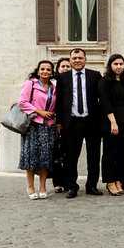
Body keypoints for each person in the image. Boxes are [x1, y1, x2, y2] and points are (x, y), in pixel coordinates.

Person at [54, 47, 103, 199]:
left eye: (80, 58)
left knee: (94, 156)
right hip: (72, 122)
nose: (77, 61)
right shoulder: (62, 78)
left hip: (92, 121)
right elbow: (60, 101)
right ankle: (71, 186)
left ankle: (92, 185)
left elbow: (101, 99)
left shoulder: (95, 76)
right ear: (70, 60)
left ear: (85, 60)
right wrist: (59, 122)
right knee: (71, 156)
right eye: (74, 58)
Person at [18, 60, 56, 200]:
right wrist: (39, 111)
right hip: (33, 125)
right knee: (31, 157)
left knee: (45, 158)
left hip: (48, 126)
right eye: (42, 69)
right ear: (38, 70)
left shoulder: (53, 87)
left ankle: (43, 186)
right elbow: (22, 102)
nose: (45, 71)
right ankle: (30, 187)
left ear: (52, 72)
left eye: (48, 69)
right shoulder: (31, 83)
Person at [97, 53, 124, 197]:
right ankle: (110, 181)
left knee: (123, 153)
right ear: (110, 66)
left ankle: (119, 179)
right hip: (111, 123)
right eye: (115, 64)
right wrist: (113, 122)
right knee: (109, 153)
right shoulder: (105, 81)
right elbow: (105, 103)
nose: (119, 66)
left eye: (121, 64)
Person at [50, 57, 72, 193]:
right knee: (56, 154)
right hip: (53, 122)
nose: (65, 68)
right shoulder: (52, 84)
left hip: (67, 123)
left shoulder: (71, 82)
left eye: (67, 66)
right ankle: (57, 182)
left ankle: (67, 181)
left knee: (67, 153)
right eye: (62, 66)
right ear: (58, 69)